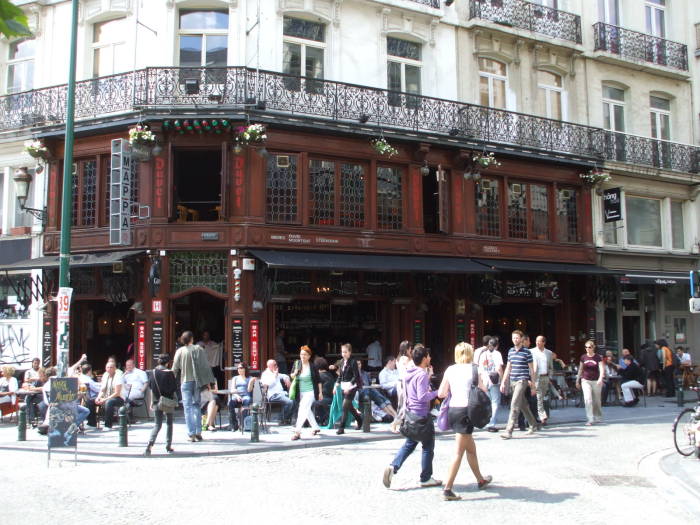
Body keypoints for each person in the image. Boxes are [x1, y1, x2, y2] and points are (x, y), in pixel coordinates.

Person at [438, 342, 492, 501]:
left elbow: (441, 393)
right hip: (467, 412)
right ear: (470, 353)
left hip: (454, 411)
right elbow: (484, 389)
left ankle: (480, 480)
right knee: (458, 452)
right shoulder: (475, 369)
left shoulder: (450, 369)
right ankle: (447, 489)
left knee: (471, 449)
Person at [382, 345, 441, 489]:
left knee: (410, 443)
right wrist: (437, 393)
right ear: (424, 358)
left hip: (411, 414)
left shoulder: (410, 371)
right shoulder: (421, 374)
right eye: (428, 356)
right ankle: (426, 477)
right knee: (428, 446)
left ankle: (393, 466)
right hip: (421, 415)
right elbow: (422, 396)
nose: (430, 358)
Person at [172, 330, 215, 442]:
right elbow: (205, 366)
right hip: (197, 382)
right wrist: (208, 382)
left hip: (185, 381)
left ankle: (191, 433)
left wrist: (170, 381)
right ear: (191, 338)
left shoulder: (180, 351)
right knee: (196, 405)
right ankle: (198, 432)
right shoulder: (198, 349)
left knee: (187, 408)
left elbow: (175, 368)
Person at [500, 330, 539, 439]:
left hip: (522, 380)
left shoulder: (527, 352)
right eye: (513, 338)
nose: (515, 340)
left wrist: (533, 385)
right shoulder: (511, 351)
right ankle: (533, 424)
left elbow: (532, 369)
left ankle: (509, 430)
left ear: (521, 339)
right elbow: (508, 367)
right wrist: (503, 381)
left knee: (514, 404)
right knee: (522, 405)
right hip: (513, 380)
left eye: (517, 338)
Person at [145, 354, 178, 455]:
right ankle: (168, 446)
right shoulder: (170, 373)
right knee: (169, 423)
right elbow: (173, 388)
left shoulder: (152, 372)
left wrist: (151, 401)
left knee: (157, 424)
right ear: (167, 363)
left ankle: (149, 445)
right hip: (168, 400)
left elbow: (151, 388)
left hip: (156, 400)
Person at [290, 345, 323, 440]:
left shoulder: (312, 366)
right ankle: (316, 427)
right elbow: (291, 376)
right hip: (300, 391)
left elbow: (318, 380)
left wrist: (320, 392)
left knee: (302, 408)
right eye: (301, 354)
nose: (302, 356)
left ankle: (297, 431)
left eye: (305, 354)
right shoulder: (297, 364)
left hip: (310, 391)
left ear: (309, 356)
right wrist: (295, 373)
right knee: (307, 410)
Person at [475, 337, 503, 432]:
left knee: (488, 402)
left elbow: (479, 368)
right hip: (494, 380)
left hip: (484, 379)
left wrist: (480, 382)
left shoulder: (483, 354)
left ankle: (486, 421)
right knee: (495, 402)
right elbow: (499, 368)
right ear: (496, 346)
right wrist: (502, 379)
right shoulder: (497, 354)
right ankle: (492, 423)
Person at [335, 343, 363, 435]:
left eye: (346, 352)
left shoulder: (353, 362)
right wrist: (336, 385)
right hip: (344, 386)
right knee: (349, 407)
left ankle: (341, 428)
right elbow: (340, 376)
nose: (344, 354)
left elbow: (356, 376)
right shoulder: (342, 362)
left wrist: (349, 386)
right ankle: (359, 419)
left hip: (352, 387)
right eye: (342, 352)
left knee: (344, 406)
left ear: (350, 352)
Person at [576, 340, 605, 426]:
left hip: (596, 380)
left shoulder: (598, 357)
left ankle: (598, 416)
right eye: (586, 347)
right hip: (585, 380)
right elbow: (580, 369)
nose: (587, 349)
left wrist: (600, 378)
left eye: (589, 347)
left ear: (593, 348)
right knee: (588, 399)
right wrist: (577, 380)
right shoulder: (583, 357)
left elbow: (601, 368)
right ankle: (590, 418)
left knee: (597, 400)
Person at [260, 359, 294, 424]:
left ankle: (286, 419)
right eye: (275, 365)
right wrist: (274, 376)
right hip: (273, 395)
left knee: (294, 400)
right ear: (270, 366)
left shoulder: (275, 372)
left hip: (281, 394)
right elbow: (267, 385)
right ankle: (281, 419)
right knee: (290, 402)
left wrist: (286, 379)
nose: (276, 366)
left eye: (276, 364)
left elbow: (284, 375)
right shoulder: (265, 374)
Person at [95, 360, 126, 429]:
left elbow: (117, 393)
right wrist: (98, 397)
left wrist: (105, 399)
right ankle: (92, 423)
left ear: (115, 368)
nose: (109, 369)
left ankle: (108, 425)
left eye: (111, 367)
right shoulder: (105, 375)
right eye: (108, 367)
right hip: (106, 397)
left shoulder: (118, 376)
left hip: (119, 398)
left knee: (109, 402)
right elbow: (102, 390)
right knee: (91, 401)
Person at [531, 335, 553, 425]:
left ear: (544, 342)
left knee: (543, 397)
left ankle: (539, 415)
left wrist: (550, 377)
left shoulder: (549, 353)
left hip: (545, 377)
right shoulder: (532, 351)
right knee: (539, 397)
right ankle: (542, 416)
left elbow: (551, 367)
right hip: (537, 377)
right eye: (536, 341)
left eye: (539, 341)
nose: (537, 343)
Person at [392, 340, 413, 432]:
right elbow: (410, 369)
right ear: (407, 349)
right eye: (410, 348)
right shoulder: (405, 359)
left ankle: (401, 424)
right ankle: (395, 423)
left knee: (401, 404)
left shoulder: (399, 358)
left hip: (400, 382)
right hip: (404, 383)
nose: (411, 350)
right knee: (404, 404)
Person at [228, 362, 254, 431]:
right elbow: (232, 389)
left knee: (247, 401)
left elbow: (249, 390)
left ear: (245, 369)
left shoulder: (249, 378)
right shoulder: (235, 378)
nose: (239, 369)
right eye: (238, 368)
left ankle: (243, 424)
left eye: (241, 368)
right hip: (237, 395)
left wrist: (251, 382)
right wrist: (237, 396)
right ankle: (234, 424)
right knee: (230, 403)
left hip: (246, 395)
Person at [313, 357, 336, 425]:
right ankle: (323, 419)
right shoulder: (330, 375)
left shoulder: (319, 376)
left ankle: (322, 419)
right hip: (331, 398)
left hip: (325, 399)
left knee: (314, 403)